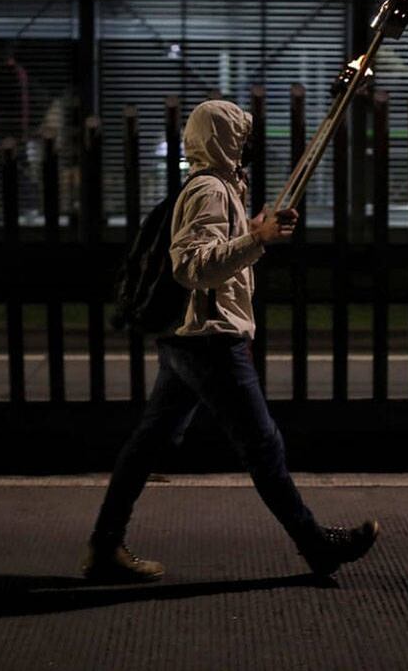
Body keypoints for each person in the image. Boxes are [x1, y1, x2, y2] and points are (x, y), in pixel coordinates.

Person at [82, 99, 379, 583]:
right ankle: (316, 544)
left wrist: (255, 232)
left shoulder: (220, 188)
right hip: (209, 341)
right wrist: (256, 238)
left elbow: (219, 263)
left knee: (147, 445)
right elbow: (193, 268)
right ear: (223, 138)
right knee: (263, 447)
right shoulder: (209, 191)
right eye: (240, 135)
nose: (247, 143)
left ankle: (104, 545)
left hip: (188, 341)